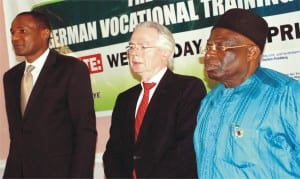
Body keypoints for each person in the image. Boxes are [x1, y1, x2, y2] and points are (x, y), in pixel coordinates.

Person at [193, 8, 300, 178]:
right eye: (208, 46)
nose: (209, 53)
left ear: (251, 52)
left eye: (221, 46)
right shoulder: (209, 101)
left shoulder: (286, 95)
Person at [103, 21, 207, 178]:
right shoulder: (125, 99)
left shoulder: (187, 88)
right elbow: (113, 152)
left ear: (165, 52)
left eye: (143, 47)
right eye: (131, 47)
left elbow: (185, 149)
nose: (134, 53)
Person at [3, 11, 97, 178]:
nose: (15, 38)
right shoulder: (10, 78)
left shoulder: (71, 69)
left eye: (22, 31)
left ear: (45, 33)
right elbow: (17, 136)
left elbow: (85, 130)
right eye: (12, 32)